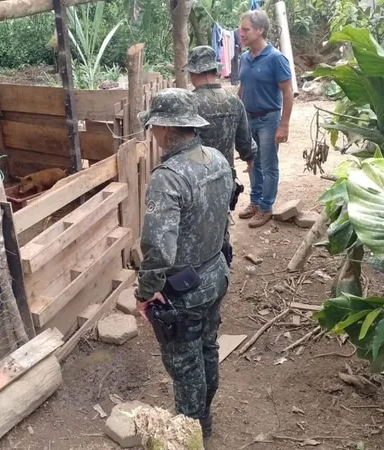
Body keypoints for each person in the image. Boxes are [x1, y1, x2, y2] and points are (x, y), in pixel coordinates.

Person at [134, 88, 233, 446]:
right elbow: (224, 215)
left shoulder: (169, 177)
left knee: (185, 365)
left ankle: (191, 434)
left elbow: (158, 247)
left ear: (164, 128)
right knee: (207, 347)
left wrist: (146, 292)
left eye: (154, 127)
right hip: (215, 272)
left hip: (184, 289)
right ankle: (204, 419)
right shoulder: (218, 160)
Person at [186, 45, 256, 266]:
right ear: (214, 71)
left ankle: (198, 270)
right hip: (224, 176)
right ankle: (221, 265)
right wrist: (249, 159)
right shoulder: (234, 101)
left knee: (193, 226)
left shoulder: (189, 104)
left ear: (194, 72)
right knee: (221, 221)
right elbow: (244, 140)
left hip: (193, 179)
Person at [237, 9, 295, 228]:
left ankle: (266, 207)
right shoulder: (244, 58)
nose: (241, 33)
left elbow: (288, 92)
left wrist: (284, 125)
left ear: (260, 30)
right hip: (248, 118)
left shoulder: (276, 58)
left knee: (269, 165)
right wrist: (237, 111)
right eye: (240, 29)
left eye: (246, 29)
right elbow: (243, 87)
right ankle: (255, 201)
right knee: (252, 162)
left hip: (268, 119)